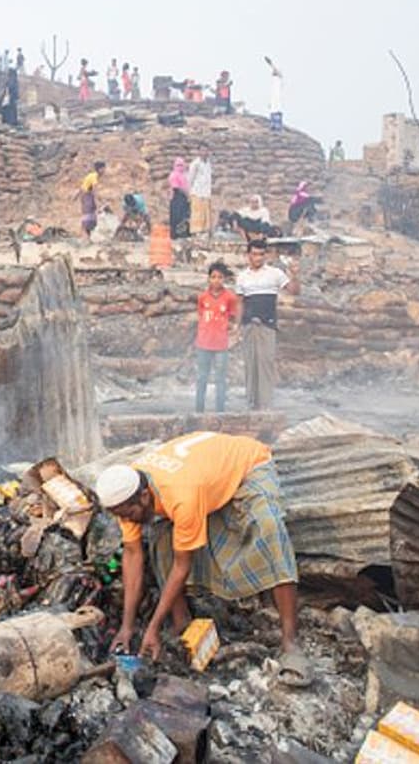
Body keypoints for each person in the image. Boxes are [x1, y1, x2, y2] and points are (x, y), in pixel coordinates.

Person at [95, 432, 308, 685]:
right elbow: (132, 554)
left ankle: (290, 641)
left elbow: (182, 566)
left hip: (248, 467)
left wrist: (152, 627)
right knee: (161, 539)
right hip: (204, 474)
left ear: (144, 496)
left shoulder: (181, 495)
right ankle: (181, 622)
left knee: (269, 528)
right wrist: (127, 626)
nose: (127, 521)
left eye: (129, 514)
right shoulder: (127, 488)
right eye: (121, 516)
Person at [235, 239, 299, 410]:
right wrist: (237, 325)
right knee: (251, 364)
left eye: (261, 254)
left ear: (266, 255)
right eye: (254, 254)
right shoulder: (242, 277)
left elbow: (294, 291)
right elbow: (240, 302)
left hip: (267, 325)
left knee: (266, 364)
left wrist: (294, 274)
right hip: (249, 325)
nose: (258, 258)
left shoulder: (275, 274)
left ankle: (265, 405)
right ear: (248, 255)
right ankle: (251, 403)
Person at [196, 263, 238, 413]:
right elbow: (201, 314)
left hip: (221, 345)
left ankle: (220, 411)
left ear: (224, 279)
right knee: (202, 378)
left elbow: (232, 317)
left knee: (220, 379)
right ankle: (199, 410)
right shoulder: (203, 297)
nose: (216, 280)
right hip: (203, 343)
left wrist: (230, 328)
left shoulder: (230, 297)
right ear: (208, 278)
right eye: (213, 277)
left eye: (220, 277)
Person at [78, 161, 106, 240]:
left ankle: (88, 237)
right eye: (103, 168)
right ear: (100, 169)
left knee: (91, 217)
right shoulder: (94, 177)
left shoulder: (91, 175)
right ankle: (84, 237)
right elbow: (94, 190)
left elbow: (82, 186)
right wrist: (99, 201)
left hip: (86, 196)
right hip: (87, 196)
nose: (104, 170)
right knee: (88, 216)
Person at [188, 150, 213, 236]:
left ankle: (205, 231)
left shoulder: (209, 163)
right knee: (197, 212)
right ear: (199, 152)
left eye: (206, 150)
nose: (205, 152)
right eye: (203, 150)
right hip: (197, 191)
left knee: (206, 212)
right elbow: (190, 178)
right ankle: (196, 232)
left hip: (206, 192)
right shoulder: (195, 164)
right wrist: (189, 191)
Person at [168, 158, 190, 239]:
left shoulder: (185, 175)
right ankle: (174, 235)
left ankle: (183, 233)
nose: (180, 167)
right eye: (178, 165)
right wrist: (186, 194)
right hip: (176, 198)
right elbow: (176, 188)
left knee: (184, 217)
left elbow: (187, 186)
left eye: (181, 165)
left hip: (184, 199)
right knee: (176, 217)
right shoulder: (173, 175)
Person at [266, 58, 284, 131]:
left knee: (276, 109)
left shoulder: (278, 79)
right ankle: (274, 126)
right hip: (274, 104)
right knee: (273, 110)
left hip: (277, 103)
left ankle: (277, 126)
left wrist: (270, 64)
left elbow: (276, 70)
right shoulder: (274, 80)